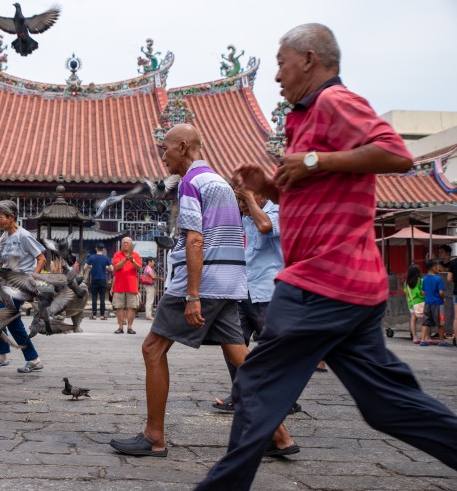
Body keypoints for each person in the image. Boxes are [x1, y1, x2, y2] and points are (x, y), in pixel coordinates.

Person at [195, 24, 457, 491]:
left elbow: (396, 154)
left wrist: (315, 160)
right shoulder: (303, 118)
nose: (277, 76)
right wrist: (268, 185)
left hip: (322, 280)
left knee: (256, 384)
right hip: (353, 286)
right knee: (387, 405)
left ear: (309, 59)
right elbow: (309, 197)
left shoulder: (336, 101)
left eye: (281, 63)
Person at [109, 123, 297, 460]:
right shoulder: (219, 182)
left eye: (165, 148)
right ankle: (280, 435)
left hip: (201, 281)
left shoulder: (191, 183)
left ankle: (153, 436)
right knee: (239, 355)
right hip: (229, 282)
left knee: (153, 349)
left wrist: (192, 295)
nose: (162, 156)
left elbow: (195, 240)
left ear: (183, 147)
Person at [213, 188, 302, 414]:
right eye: (239, 200)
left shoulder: (279, 212)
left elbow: (265, 227)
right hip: (244, 289)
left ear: (261, 196)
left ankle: (284, 398)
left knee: (273, 348)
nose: (241, 205)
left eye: (244, 200)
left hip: (269, 292)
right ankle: (240, 394)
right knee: (231, 340)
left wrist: (250, 199)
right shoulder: (244, 217)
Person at [0, 200, 46, 373]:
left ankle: (2, 356)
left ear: (11, 217)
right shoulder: (5, 236)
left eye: (0, 218)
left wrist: (32, 279)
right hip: (7, 285)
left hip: (20, 286)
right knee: (12, 322)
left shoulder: (24, 235)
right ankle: (32, 359)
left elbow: (41, 258)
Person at [111, 237, 142, 334]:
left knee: (131, 307)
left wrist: (132, 261)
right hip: (119, 286)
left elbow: (139, 268)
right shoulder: (117, 254)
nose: (125, 244)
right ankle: (120, 327)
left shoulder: (136, 255)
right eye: (123, 243)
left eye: (127, 243)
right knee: (119, 307)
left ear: (131, 244)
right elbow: (116, 267)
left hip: (131, 286)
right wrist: (125, 259)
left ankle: (130, 327)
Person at [421, 259, 449, 347]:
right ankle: (441, 341)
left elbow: (423, 292)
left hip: (427, 303)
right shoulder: (438, 279)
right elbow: (441, 292)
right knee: (441, 322)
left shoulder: (424, 279)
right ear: (433, 268)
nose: (438, 269)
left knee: (425, 322)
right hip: (438, 303)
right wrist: (443, 298)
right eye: (437, 267)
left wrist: (429, 296)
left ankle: (423, 340)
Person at [84, 242, 113, 320]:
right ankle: (102, 316)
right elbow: (112, 268)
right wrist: (105, 267)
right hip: (103, 279)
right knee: (102, 298)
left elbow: (85, 267)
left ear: (96, 249)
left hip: (94, 279)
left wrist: (91, 266)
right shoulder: (106, 258)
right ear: (103, 249)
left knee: (94, 297)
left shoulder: (91, 257)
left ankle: (94, 316)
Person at [404, 264, 424, 344]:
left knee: (413, 319)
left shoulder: (406, 283)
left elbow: (406, 294)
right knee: (423, 319)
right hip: (420, 302)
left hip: (411, 303)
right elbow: (423, 292)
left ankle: (415, 337)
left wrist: (409, 303)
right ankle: (423, 337)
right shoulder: (421, 281)